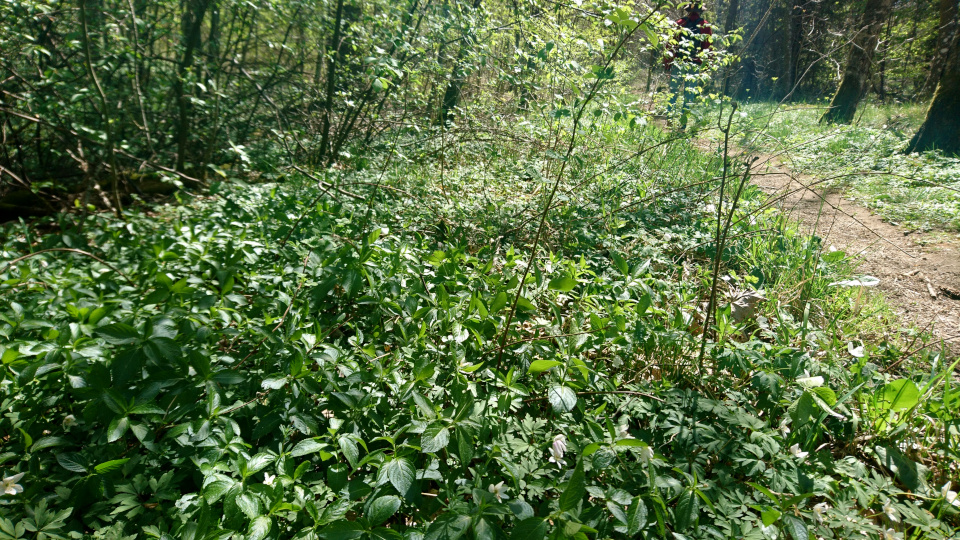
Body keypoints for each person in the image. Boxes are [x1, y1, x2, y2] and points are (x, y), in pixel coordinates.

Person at [664, 3, 713, 129]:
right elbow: (708, 48)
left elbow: (670, 45)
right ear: (701, 11)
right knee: (689, 95)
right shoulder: (705, 26)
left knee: (673, 93)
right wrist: (706, 67)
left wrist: (667, 63)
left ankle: (669, 122)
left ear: (687, 11)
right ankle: (682, 125)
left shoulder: (679, 22)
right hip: (695, 64)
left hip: (678, 63)